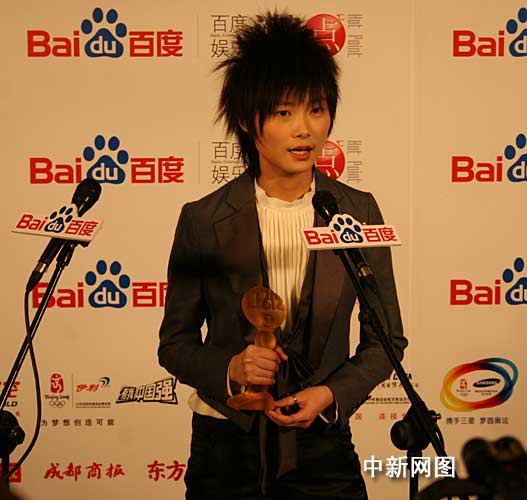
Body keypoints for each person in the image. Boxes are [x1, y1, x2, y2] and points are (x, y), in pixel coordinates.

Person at [158, 11, 407, 499]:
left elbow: (386, 339)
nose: (304, 130)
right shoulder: (204, 219)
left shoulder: (356, 211)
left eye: (316, 109)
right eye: (283, 113)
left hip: (323, 444)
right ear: (247, 120)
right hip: (226, 448)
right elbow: (175, 344)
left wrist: (330, 394)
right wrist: (231, 369)